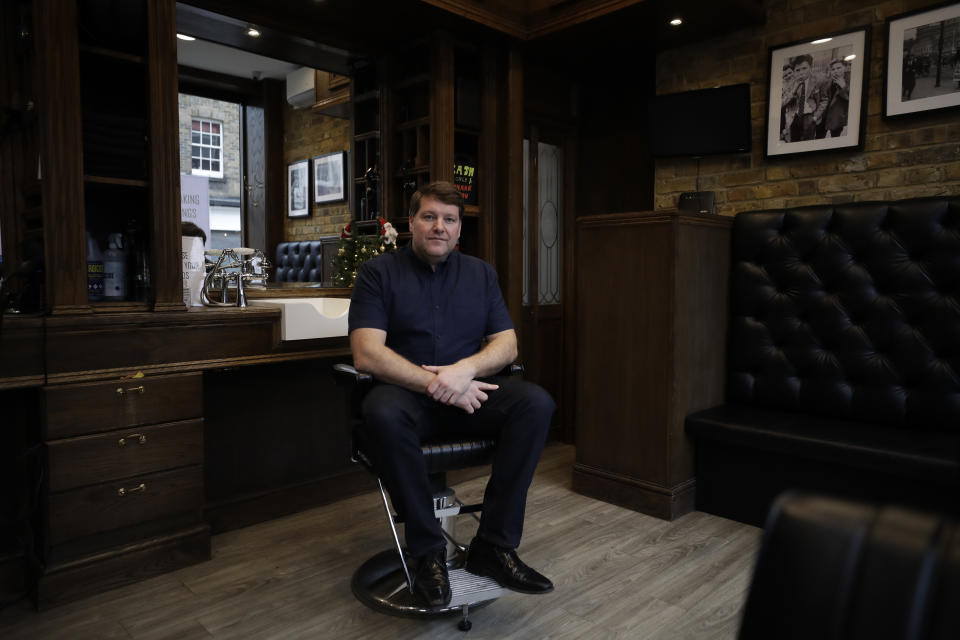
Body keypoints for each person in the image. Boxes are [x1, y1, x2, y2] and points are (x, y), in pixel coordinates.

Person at [348, 181, 556, 607]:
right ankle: (427, 554)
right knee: (382, 412)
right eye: (429, 217)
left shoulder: (481, 274)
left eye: (449, 219)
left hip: (469, 396)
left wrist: (465, 370)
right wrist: (436, 385)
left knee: (535, 403)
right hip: (407, 400)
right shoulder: (378, 273)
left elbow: (507, 345)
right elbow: (366, 352)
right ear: (411, 223)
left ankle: (493, 548)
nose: (438, 227)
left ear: (460, 229)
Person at [788, 54, 829, 142]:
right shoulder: (793, 82)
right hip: (795, 115)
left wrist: (816, 116)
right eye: (797, 70)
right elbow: (789, 99)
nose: (801, 72)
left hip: (810, 115)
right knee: (794, 139)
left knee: (807, 140)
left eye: (804, 68)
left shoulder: (819, 80)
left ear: (810, 67)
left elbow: (824, 100)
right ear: (794, 71)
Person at [821, 58, 850, 138]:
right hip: (825, 118)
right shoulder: (828, 83)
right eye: (833, 69)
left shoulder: (850, 82)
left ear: (845, 68)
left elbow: (852, 101)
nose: (835, 71)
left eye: (839, 68)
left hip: (839, 120)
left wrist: (843, 86)